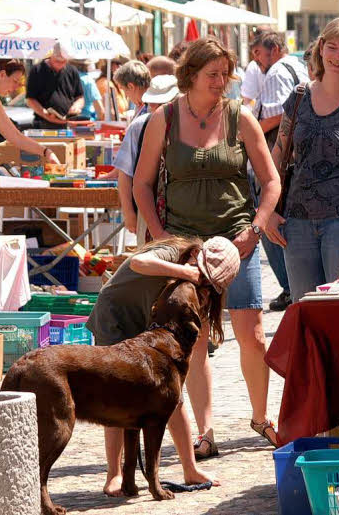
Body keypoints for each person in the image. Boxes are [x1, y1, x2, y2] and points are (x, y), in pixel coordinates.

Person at [133, 36, 286, 457]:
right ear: (191, 76)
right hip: (185, 245)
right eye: (212, 75)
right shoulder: (163, 119)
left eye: (225, 74)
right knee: (195, 340)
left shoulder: (241, 118)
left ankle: (261, 416)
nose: (221, 82)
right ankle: (205, 432)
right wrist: (160, 234)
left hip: (237, 240)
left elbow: (271, 181)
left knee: (252, 334)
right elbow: (141, 183)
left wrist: (254, 230)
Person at [85, 235, 235, 496]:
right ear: (193, 257)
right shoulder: (171, 253)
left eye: (208, 283)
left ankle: (190, 468)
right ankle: (114, 474)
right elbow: (138, 262)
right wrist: (183, 272)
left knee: (172, 397)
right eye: (201, 274)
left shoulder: (199, 291)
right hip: (115, 317)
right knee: (117, 395)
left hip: (149, 326)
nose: (200, 282)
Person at [267, 16, 339, 301]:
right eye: (332, 47)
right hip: (297, 221)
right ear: (321, 48)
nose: (338, 56)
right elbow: (277, 154)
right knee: (305, 309)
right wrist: (267, 210)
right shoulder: (298, 97)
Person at [252, 29, 309, 312]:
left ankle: (289, 286)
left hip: (280, 156)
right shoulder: (296, 65)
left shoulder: (275, 72)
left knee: (268, 216)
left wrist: (249, 131)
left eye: (259, 53)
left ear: (274, 49)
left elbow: (278, 116)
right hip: (298, 156)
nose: (257, 59)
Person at [113, 74, 178, 235]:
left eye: (161, 104)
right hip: (148, 209)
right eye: (153, 105)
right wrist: (129, 213)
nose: (156, 110)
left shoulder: (188, 125)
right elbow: (125, 173)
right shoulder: (139, 127)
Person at [25, 46, 88, 127]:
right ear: (51, 56)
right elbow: (30, 99)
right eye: (57, 61)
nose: (60, 64)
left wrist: (76, 106)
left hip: (68, 122)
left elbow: (80, 97)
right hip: (44, 122)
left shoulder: (72, 70)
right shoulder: (37, 70)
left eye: (63, 61)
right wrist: (45, 114)